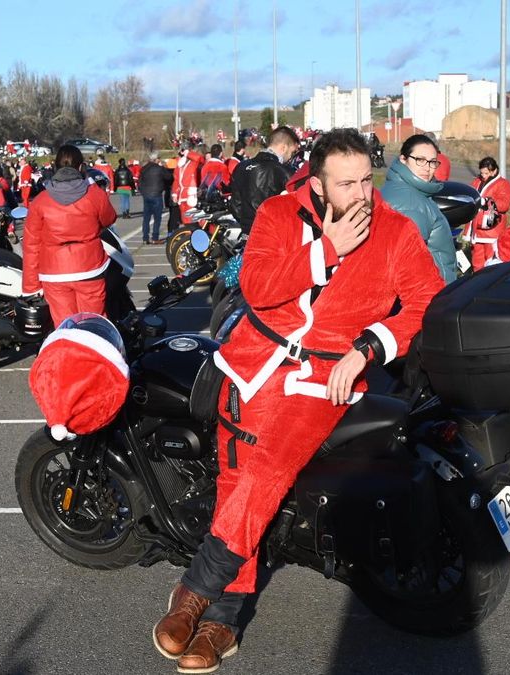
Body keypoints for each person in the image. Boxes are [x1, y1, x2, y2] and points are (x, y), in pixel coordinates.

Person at [151, 129, 443, 672]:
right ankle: (223, 623)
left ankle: (198, 590)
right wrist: (327, 249)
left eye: (366, 180)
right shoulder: (280, 215)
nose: (360, 194)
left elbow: (425, 301)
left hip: (323, 377)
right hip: (250, 362)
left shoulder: (396, 231)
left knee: (263, 472)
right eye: (346, 183)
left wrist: (367, 349)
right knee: (236, 483)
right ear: (317, 182)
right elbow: (258, 287)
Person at [21, 145, 117, 322]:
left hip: (54, 272)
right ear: (81, 168)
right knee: (93, 324)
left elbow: (31, 245)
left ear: (55, 168)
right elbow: (109, 218)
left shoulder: (40, 201)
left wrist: (31, 286)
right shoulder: (94, 194)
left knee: (65, 326)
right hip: (89, 268)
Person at [379, 133, 457, 282]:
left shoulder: (401, 188)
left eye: (432, 162)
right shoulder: (411, 203)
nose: (427, 168)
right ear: (403, 159)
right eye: (420, 160)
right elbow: (407, 264)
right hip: (432, 293)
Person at [227, 126, 300, 233]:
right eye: (292, 153)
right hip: (272, 238)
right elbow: (295, 211)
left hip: (246, 236)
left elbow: (235, 206)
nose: (291, 158)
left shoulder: (241, 167)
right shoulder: (284, 172)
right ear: (284, 148)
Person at [465, 157, 510, 271]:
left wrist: (488, 201)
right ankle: (477, 280)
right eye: (481, 173)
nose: (483, 176)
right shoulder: (477, 181)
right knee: (477, 259)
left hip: (492, 229)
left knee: (490, 260)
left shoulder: (503, 184)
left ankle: (490, 283)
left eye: (486, 173)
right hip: (477, 227)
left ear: (494, 171)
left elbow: (504, 204)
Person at [138, 153, 169, 244]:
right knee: (157, 218)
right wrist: (163, 167)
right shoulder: (159, 169)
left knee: (146, 218)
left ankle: (145, 237)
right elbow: (169, 177)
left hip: (146, 195)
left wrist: (143, 192)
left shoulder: (144, 169)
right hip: (156, 195)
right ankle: (155, 237)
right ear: (157, 159)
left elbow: (139, 182)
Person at [172, 142, 204, 223]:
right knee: (185, 219)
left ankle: (192, 233)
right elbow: (176, 179)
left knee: (192, 218)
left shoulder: (193, 162)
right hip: (181, 195)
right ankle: (188, 234)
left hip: (191, 194)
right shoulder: (179, 163)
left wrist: (188, 153)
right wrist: (175, 193)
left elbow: (199, 158)